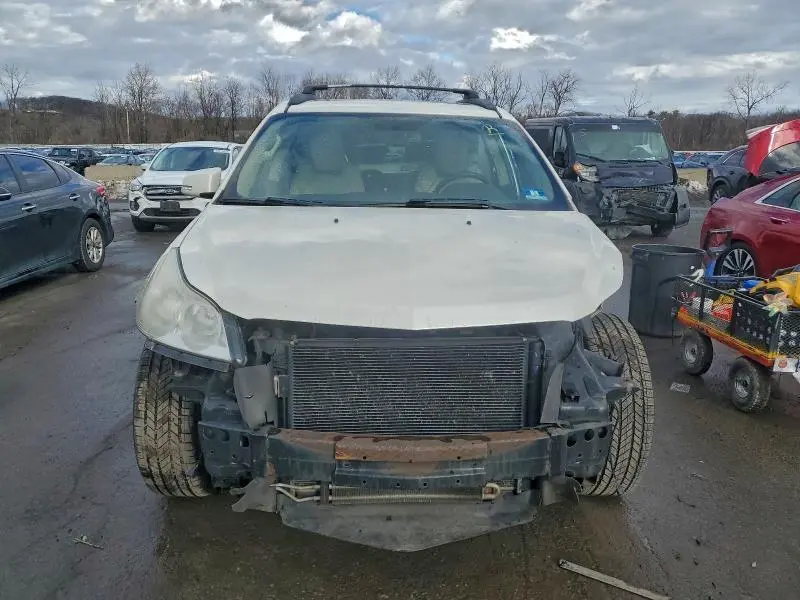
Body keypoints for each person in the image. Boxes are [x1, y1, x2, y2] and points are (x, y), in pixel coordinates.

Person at [289, 126, 364, 195]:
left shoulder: (351, 173)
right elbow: (295, 198)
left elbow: (358, 201)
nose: (330, 151)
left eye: (335, 146)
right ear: (311, 151)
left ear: (341, 149)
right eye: (323, 146)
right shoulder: (302, 175)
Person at [415, 122, 484, 194]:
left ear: (467, 152)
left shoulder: (475, 178)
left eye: (460, 149)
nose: (455, 156)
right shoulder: (427, 177)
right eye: (451, 151)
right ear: (438, 151)